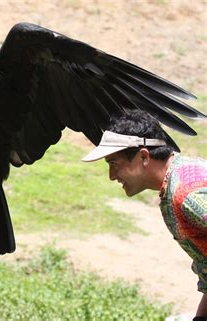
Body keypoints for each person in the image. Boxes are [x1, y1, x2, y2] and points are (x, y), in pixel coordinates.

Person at [82, 109, 207, 320]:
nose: (112, 176)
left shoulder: (186, 194)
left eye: (114, 163)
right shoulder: (177, 180)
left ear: (143, 156)